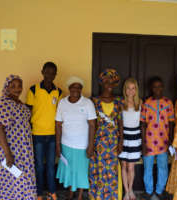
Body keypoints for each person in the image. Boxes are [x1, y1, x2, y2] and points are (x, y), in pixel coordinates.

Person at [0, 75, 37, 200]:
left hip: (23, 152)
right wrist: (8, 153)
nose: (17, 89)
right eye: (13, 86)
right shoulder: (3, 104)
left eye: (19, 86)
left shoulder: (20, 104)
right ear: (7, 88)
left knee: (21, 180)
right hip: (10, 150)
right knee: (9, 182)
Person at [55, 76, 96, 200]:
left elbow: (92, 125)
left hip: (82, 145)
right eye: (73, 87)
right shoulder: (62, 102)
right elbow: (58, 124)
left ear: (81, 89)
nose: (75, 89)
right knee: (70, 170)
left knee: (81, 171)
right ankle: (71, 193)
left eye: (78, 87)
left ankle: (79, 196)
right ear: (69, 88)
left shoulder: (87, 103)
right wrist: (58, 145)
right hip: (66, 144)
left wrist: (91, 145)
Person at [26, 62, 62, 200]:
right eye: (47, 72)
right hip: (38, 135)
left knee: (51, 167)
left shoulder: (58, 92)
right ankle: (39, 193)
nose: (49, 75)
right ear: (42, 72)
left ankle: (52, 192)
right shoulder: (33, 90)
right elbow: (28, 113)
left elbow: (59, 115)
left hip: (52, 135)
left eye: (52, 73)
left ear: (55, 75)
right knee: (39, 166)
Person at [89, 68, 124, 200]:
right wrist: (91, 144)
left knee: (112, 170)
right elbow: (91, 124)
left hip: (113, 142)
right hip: (98, 142)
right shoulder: (94, 101)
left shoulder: (118, 101)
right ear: (102, 83)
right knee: (98, 169)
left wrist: (121, 142)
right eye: (106, 82)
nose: (109, 85)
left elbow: (120, 123)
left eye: (112, 82)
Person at [140, 76, 175, 200]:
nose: (157, 89)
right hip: (149, 142)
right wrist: (143, 144)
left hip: (163, 142)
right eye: (155, 86)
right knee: (147, 168)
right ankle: (149, 191)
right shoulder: (147, 103)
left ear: (163, 87)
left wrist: (171, 140)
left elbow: (171, 122)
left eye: (159, 86)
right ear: (151, 88)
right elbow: (143, 124)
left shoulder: (168, 103)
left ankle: (160, 190)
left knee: (163, 167)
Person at [118, 78, 142, 200]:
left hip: (135, 136)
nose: (131, 91)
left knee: (131, 166)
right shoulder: (121, 103)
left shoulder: (140, 104)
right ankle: (126, 192)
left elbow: (143, 122)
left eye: (133, 88)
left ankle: (131, 189)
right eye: (128, 88)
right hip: (124, 136)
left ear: (136, 90)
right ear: (125, 90)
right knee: (124, 165)